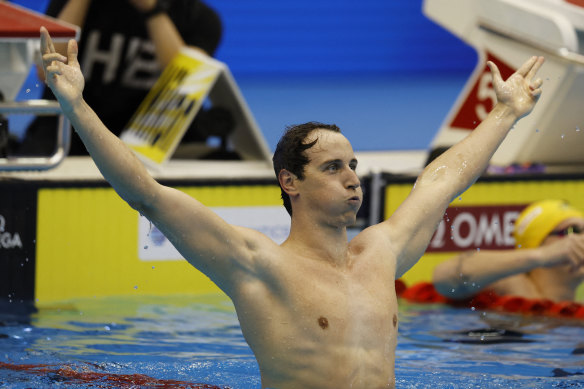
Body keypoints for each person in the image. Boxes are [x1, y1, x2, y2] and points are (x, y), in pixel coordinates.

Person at [39, 26, 545, 388]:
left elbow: (443, 180)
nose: (352, 178)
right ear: (290, 182)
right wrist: (77, 107)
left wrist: (506, 111)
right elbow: (146, 194)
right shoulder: (259, 266)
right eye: (332, 168)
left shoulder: (381, 252)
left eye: (352, 164)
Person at [18, 0, 222, 156]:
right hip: (69, 137)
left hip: (149, 147)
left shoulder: (198, 17)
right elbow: (48, 71)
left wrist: (152, 10)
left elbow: (184, 86)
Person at [434, 200, 584, 302]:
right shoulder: (509, 286)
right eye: (573, 231)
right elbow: (444, 278)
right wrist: (542, 256)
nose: (581, 239)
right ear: (538, 244)